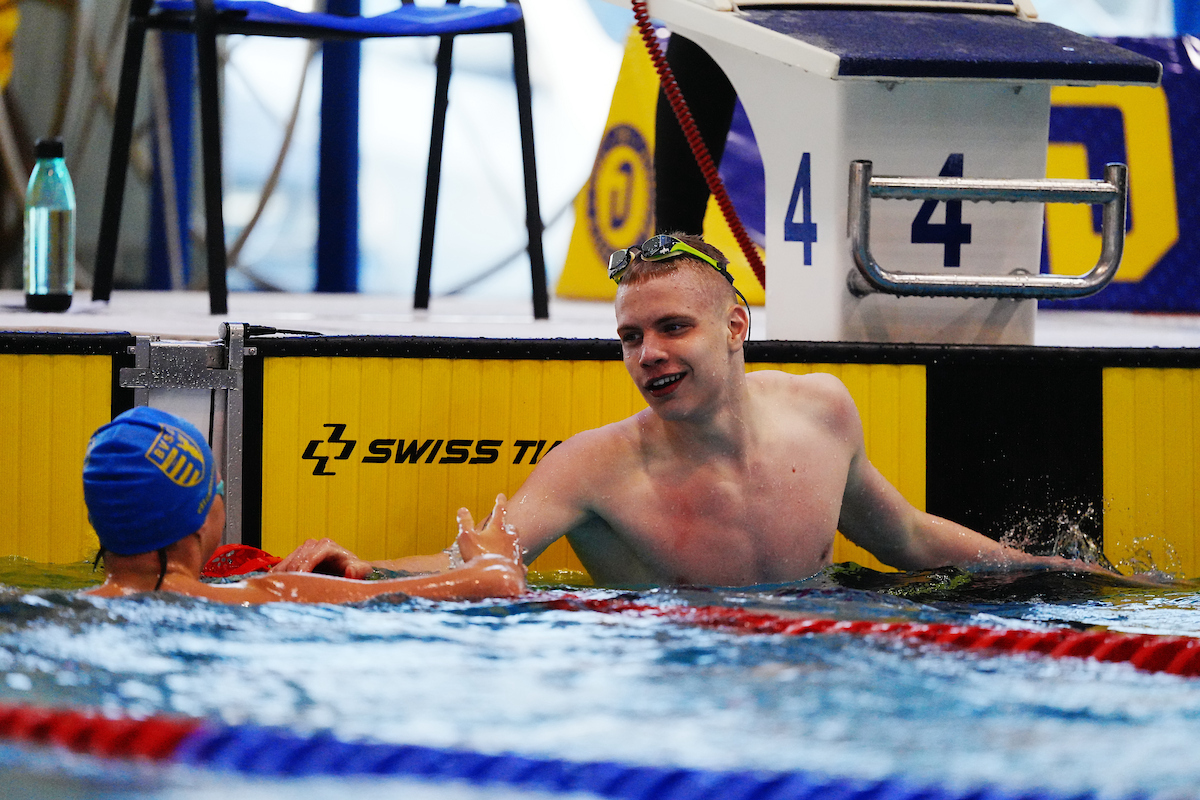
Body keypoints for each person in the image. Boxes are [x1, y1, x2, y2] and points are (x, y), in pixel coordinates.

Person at [276, 233, 1108, 588]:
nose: (648, 355)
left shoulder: (821, 409)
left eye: (673, 328)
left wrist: (1045, 569)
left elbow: (907, 539)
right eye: (631, 337)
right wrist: (364, 570)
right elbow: (483, 567)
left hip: (824, 653)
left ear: (735, 327)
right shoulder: (594, 466)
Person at [81, 407, 524, 603]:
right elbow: (496, 584)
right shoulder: (273, 595)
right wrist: (492, 562)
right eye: (218, 490)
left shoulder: (75, 610)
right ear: (198, 517)